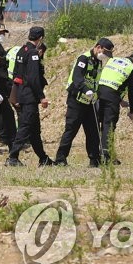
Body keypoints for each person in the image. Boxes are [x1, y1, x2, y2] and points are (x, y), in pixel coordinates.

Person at [53, 38, 112, 167]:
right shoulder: (83, 58)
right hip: (76, 100)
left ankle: (94, 160)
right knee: (71, 130)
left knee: (93, 132)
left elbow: (96, 80)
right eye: (105, 52)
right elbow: (77, 77)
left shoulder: (98, 61)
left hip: (90, 102)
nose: (106, 56)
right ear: (98, 47)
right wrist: (86, 90)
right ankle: (60, 159)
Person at [5, 27, 53, 167]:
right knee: (25, 126)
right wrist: (41, 97)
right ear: (41, 38)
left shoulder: (22, 50)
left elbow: (16, 74)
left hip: (22, 92)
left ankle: (43, 158)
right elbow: (33, 78)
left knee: (34, 129)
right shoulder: (32, 53)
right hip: (29, 95)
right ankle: (12, 157)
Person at [97, 50, 133, 165]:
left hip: (98, 93)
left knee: (98, 124)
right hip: (111, 97)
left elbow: (109, 81)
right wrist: (132, 110)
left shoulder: (114, 60)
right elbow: (132, 92)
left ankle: (96, 155)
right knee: (108, 126)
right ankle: (106, 157)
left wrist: (119, 100)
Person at [0, 23, 18, 150]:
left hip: (2, 84)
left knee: (3, 114)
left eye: (3, 33)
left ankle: (5, 138)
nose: (1, 35)